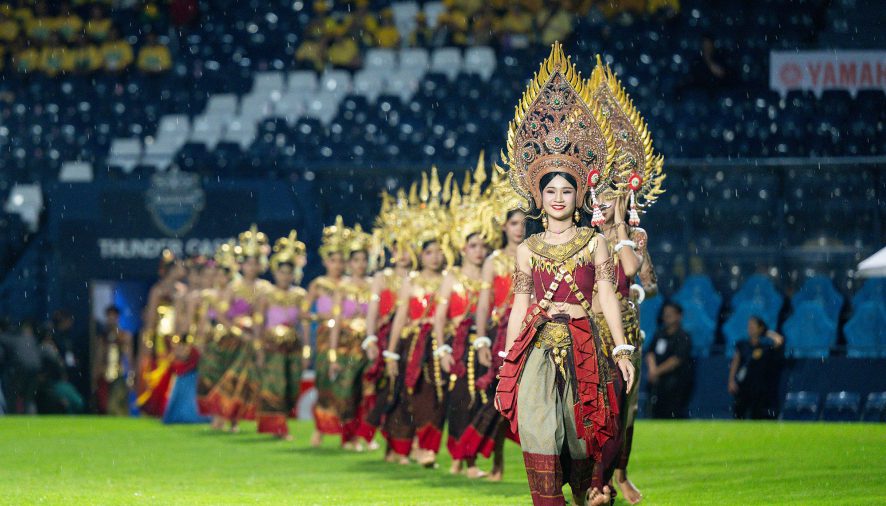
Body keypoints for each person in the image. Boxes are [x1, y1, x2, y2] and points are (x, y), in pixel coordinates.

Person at [494, 43, 636, 506]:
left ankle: (590, 493)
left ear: (579, 197)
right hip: (537, 346)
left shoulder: (595, 242)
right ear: (539, 196)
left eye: (567, 190)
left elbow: (609, 296)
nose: (558, 197)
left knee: (579, 435)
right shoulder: (526, 249)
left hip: (583, 343)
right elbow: (519, 304)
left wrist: (620, 347)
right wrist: (506, 361)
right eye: (550, 190)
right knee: (538, 428)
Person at [587, 57, 666, 505]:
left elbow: (645, 281)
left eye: (621, 188)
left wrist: (627, 244)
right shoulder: (582, 235)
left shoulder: (634, 235)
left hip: (628, 329)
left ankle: (618, 474)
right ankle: (591, 478)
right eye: (608, 189)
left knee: (626, 410)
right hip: (589, 328)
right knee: (597, 409)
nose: (614, 196)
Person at [458, 167, 525, 481]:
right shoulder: (493, 261)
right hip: (501, 337)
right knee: (500, 402)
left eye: (524, 223)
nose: (519, 229)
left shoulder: (536, 255)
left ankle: (544, 468)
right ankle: (492, 463)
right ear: (504, 226)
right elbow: (484, 305)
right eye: (514, 223)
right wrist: (482, 340)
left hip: (533, 333)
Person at [385, 168, 452, 467]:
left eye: (439, 252)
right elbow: (400, 317)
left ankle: (430, 449)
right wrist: (389, 351)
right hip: (412, 347)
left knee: (438, 399)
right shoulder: (410, 282)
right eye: (429, 253)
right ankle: (411, 444)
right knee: (412, 395)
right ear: (420, 256)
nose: (434, 257)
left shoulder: (451, 279)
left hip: (440, 346)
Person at [436, 163, 494, 478]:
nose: (479, 250)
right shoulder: (451, 277)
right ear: (462, 248)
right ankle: (459, 458)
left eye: (483, 245)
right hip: (455, 346)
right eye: (473, 245)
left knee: (478, 400)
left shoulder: (488, 275)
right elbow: (438, 319)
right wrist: (442, 351)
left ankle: (467, 459)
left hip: (480, 345)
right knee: (458, 402)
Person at [361, 191, 414, 462]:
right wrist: (370, 339)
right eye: (398, 247)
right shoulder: (383, 277)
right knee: (388, 393)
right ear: (392, 250)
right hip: (386, 343)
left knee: (409, 393)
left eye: (408, 246)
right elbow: (372, 312)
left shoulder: (417, 278)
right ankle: (391, 445)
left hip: (412, 343)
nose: (403, 253)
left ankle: (406, 445)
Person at [205, 226, 272, 432]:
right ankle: (219, 417)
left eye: (255, 263)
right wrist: (238, 331)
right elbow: (221, 315)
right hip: (231, 341)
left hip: (252, 342)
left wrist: (257, 340)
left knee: (244, 382)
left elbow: (265, 319)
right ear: (242, 265)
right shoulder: (233, 287)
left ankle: (235, 418)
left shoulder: (265, 288)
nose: (252, 267)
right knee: (226, 379)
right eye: (248, 263)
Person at [255, 232, 310, 440]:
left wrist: (306, 351)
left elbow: (303, 324)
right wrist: (259, 348)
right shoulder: (266, 295)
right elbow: (260, 324)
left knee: (291, 385)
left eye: (289, 272)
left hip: (293, 346)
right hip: (272, 347)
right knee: (274, 385)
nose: (285, 276)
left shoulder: (299, 295)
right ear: (274, 272)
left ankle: (282, 422)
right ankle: (277, 427)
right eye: (281, 272)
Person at [327, 225, 375, 450]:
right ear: (349, 263)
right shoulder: (342, 287)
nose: (360, 265)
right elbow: (335, 323)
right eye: (356, 260)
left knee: (368, 391)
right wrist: (333, 354)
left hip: (367, 346)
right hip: (347, 347)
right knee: (347, 392)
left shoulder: (373, 285)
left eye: (364, 260)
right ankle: (348, 438)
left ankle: (366, 436)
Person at [308, 216, 348, 446]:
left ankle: (346, 431)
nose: (338, 265)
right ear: (326, 261)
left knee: (345, 384)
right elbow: (304, 313)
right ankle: (320, 429)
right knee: (324, 383)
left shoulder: (350, 285)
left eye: (342, 260)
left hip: (347, 338)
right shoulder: (318, 284)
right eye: (334, 260)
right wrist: (322, 317)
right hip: (324, 337)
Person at [137, 250, 187, 417]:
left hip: (176, 337)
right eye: (179, 265)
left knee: (174, 371)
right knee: (159, 370)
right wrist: (147, 342)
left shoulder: (183, 290)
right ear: (171, 269)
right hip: (160, 338)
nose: (183, 268)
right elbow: (151, 318)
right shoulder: (157, 290)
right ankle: (156, 406)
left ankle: (170, 406)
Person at [729, 316, 785, 420]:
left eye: (753, 326)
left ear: (760, 328)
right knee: (738, 415)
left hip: (759, 388)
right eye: (749, 326)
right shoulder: (742, 345)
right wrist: (731, 380)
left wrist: (767, 332)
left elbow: (779, 340)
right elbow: (735, 362)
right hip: (743, 387)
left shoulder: (765, 347)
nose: (750, 328)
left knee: (757, 416)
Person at [645, 301, 693, 419]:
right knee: (654, 412)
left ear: (679, 316)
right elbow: (650, 352)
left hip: (675, 383)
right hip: (656, 383)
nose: (667, 316)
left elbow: (676, 359)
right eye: (665, 313)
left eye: (670, 314)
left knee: (673, 413)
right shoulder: (659, 334)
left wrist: (656, 371)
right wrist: (652, 369)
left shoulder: (683, 336)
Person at [94, 306, 134, 416]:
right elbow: (99, 357)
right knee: (104, 405)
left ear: (118, 318)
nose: (111, 319)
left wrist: (131, 376)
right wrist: (96, 374)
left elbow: (128, 356)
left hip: (119, 374)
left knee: (116, 404)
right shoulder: (102, 337)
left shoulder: (124, 335)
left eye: (113, 316)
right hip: (104, 375)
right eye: (109, 316)